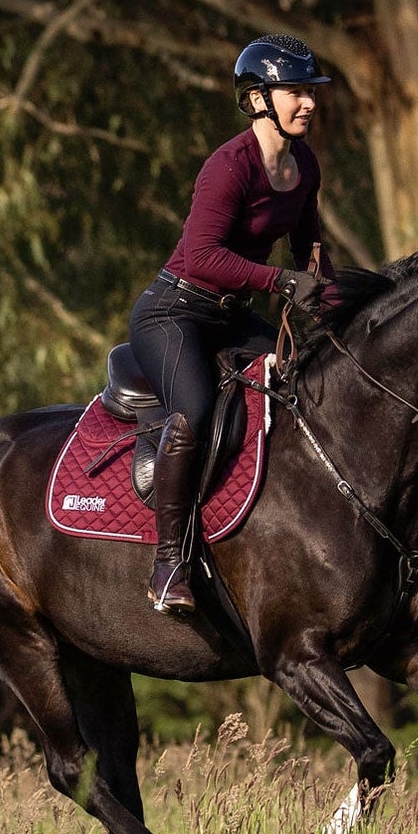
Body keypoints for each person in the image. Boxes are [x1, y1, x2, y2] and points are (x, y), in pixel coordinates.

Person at [128, 34, 336, 615]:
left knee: (311, 383)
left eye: (311, 92)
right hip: (174, 313)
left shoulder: (304, 165)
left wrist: (330, 293)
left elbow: (307, 246)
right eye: (296, 92)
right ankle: (169, 563)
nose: (310, 103)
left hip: (231, 316)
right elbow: (201, 259)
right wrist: (279, 284)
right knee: (192, 411)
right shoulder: (229, 167)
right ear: (258, 101)